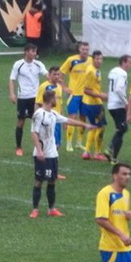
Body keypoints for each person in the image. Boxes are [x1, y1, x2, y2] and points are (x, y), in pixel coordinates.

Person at [29, 90, 95, 219]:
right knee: (39, 181)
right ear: (50, 100)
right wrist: (39, 150)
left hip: (52, 154)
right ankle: (35, 209)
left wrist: (84, 124)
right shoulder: (39, 114)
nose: (57, 100)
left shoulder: (53, 114)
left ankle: (51, 209)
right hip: (41, 153)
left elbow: (68, 120)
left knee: (52, 180)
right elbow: (34, 133)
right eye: (56, 98)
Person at [9, 43, 48, 156]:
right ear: (26, 52)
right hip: (23, 97)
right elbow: (12, 79)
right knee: (21, 122)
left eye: (35, 51)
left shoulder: (38, 64)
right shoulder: (18, 64)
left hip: (36, 98)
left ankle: (40, 147)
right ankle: (18, 147)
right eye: (32, 51)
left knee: (38, 122)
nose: (34, 53)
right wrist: (12, 94)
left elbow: (47, 75)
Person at [35, 66, 69, 179]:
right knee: (49, 146)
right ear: (49, 75)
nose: (56, 76)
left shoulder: (59, 86)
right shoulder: (44, 86)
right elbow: (38, 103)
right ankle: (48, 170)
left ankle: (52, 169)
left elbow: (60, 104)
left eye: (58, 74)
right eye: (54, 74)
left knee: (57, 145)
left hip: (56, 120)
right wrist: (37, 120)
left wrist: (64, 120)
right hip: (47, 121)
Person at [60, 41, 92, 152]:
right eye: (83, 49)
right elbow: (61, 74)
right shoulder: (71, 60)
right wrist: (64, 87)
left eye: (87, 49)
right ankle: (69, 143)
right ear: (79, 49)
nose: (85, 51)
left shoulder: (91, 61)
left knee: (83, 118)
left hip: (86, 95)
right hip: (74, 94)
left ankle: (79, 142)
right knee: (72, 118)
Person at [105, 55, 131, 163]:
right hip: (118, 105)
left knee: (121, 129)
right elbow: (118, 89)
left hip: (111, 105)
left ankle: (113, 155)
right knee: (122, 129)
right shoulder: (122, 73)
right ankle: (111, 151)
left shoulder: (113, 71)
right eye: (130, 62)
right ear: (124, 62)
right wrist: (126, 102)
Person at [81, 50, 108, 161]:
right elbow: (86, 90)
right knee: (100, 127)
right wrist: (101, 95)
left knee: (94, 126)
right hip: (94, 104)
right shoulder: (91, 71)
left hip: (92, 103)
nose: (99, 61)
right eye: (97, 59)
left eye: (101, 59)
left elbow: (94, 87)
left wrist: (100, 94)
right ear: (93, 59)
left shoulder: (95, 70)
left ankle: (87, 152)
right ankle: (97, 153)